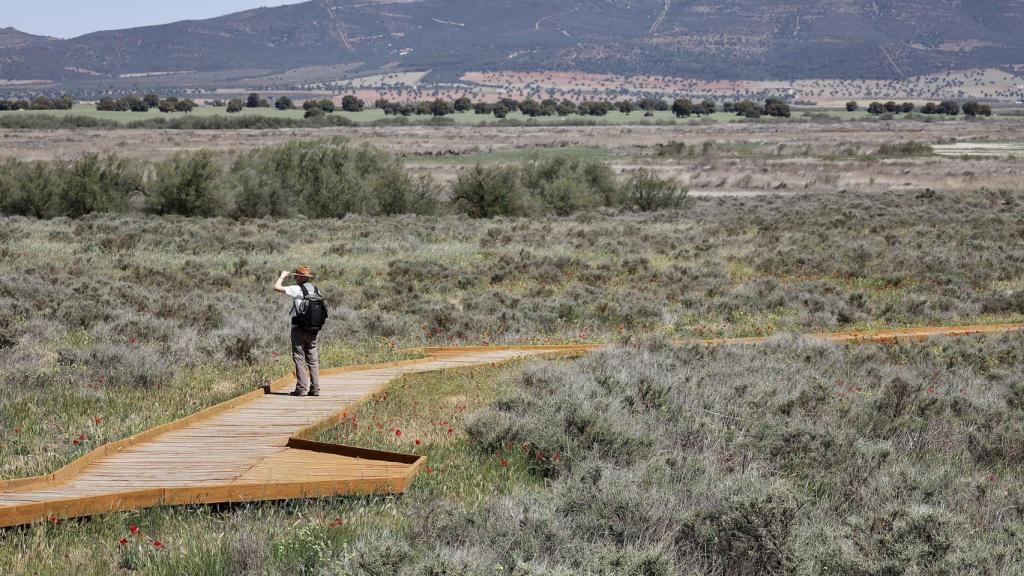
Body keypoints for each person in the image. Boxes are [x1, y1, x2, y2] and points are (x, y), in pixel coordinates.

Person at [274, 266, 321, 397]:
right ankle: (315, 388)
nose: (295, 278)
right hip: (314, 329)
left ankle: (301, 389)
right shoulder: (316, 290)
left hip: (299, 329)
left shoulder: (298, 289)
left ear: (301, 277)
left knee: (299, 358)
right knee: (313, 359)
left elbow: (276, 287)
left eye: (296, 276)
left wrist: (282, 276)